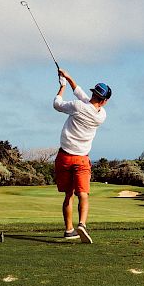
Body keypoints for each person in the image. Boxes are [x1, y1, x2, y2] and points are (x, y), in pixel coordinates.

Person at [53, 68, 111, 243]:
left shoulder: (78, 107)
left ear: (94, 93)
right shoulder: (101, 115)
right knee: (83, 193)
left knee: (68, 195)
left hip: (64, 157)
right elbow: (83, 97)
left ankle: (69, 230)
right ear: (104, 101)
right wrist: (69, 78)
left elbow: (57, 104)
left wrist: (62, 86)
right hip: (82, 159)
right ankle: (82, 225)